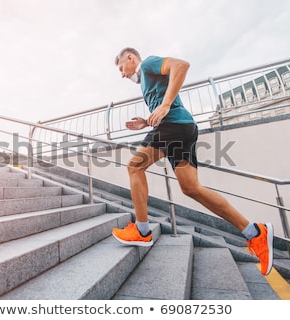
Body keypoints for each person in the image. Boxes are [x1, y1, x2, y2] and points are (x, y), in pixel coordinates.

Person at [111, 47, 274, 276]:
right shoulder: (146, 82)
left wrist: (165, 105)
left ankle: (142, 230)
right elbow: (164, 105)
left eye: (121, 68)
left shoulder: (147, 64)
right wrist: (146, 122)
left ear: (130, 58)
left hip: (174, 126)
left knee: (134, 166)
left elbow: (181, 65)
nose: (122, 74)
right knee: (191, 188)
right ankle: (255, 232)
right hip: (183, 127)